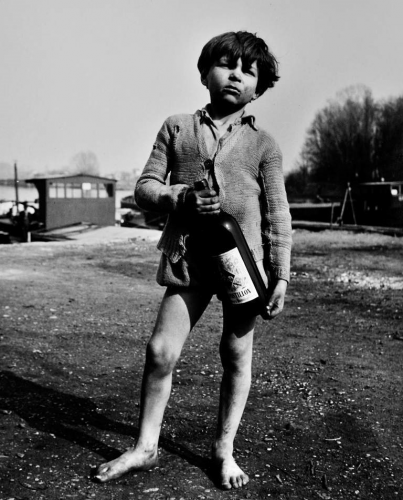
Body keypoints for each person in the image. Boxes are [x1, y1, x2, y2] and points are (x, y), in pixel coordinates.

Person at [95, 30, 292, 490]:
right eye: (225, 64)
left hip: (244, 268)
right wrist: (176, 196)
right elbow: (143, 188)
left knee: (235, 354)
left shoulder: (264, 145)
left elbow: (278, 215)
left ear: (258, 88)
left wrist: (280, 274)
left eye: (249, 71)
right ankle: (145, 447)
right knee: (161, 351)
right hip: (189, 261)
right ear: (205, 72)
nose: (236, 75)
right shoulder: (177, 127)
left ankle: (224, 451)